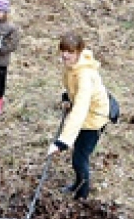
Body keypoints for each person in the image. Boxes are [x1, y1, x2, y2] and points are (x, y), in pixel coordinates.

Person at [47, 32, 111, 200]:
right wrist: (67, 97)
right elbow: (72, 87)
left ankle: (82, 193)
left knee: (79, 158)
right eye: (63, 51)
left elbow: (81, 109)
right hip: (86, 115)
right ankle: (78, 184)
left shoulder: (85, 75)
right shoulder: (72, 66)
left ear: (79, 52)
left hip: (94, 119)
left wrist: (62, 142)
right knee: (78, 155)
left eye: (70, 52)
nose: (65, 55)